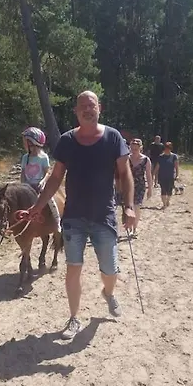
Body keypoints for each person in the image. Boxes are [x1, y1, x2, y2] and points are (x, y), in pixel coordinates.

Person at [25, 91, 136, 340]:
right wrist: (37, 206)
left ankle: (108, 293)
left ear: (99, 108)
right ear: (76, 111)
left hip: (104, 215)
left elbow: (125, 174)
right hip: (74, 216)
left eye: (91, 105)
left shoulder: (113, 138)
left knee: (110, 269)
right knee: (73, 268)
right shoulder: (67, 141)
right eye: (82, 106)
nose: (87, 109)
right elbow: (56, 177)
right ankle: (74, 318)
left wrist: (129, 206)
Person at [19, 127, 61, 233]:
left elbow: (47, 172)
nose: (24, 144)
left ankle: (57, 221)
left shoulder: (43, 158)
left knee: (50, 201)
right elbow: (23, 173)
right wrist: (22, 185)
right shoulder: (25, 158)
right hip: (27, 186)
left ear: (33, 142)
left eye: (26, 142)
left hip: (39, 185)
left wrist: (42, 181)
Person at [126, 138, 153, 237]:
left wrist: (150, 188)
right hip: (127, 186)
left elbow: (149, 175)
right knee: (128, 207)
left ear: (140, 148)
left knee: (137, 207)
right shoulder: (126, 158)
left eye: (136, 149)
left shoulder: (146, 160)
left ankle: (134, 228)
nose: (134, 151)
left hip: (139, 186)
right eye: (132, 148)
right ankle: (129, 226)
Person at [153, 141, 180, 209]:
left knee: (169, 190)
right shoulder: (161, 157)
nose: (167, 150)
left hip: (170, 176)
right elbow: (157, 166)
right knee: (163, 190)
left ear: (171, 149)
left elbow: (176, 167)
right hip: (162, 176)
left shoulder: (174, 156)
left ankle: (168, 201)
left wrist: (177, 175)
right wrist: (153, 174)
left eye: (169, 148)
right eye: (166, 148)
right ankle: (164, 204)